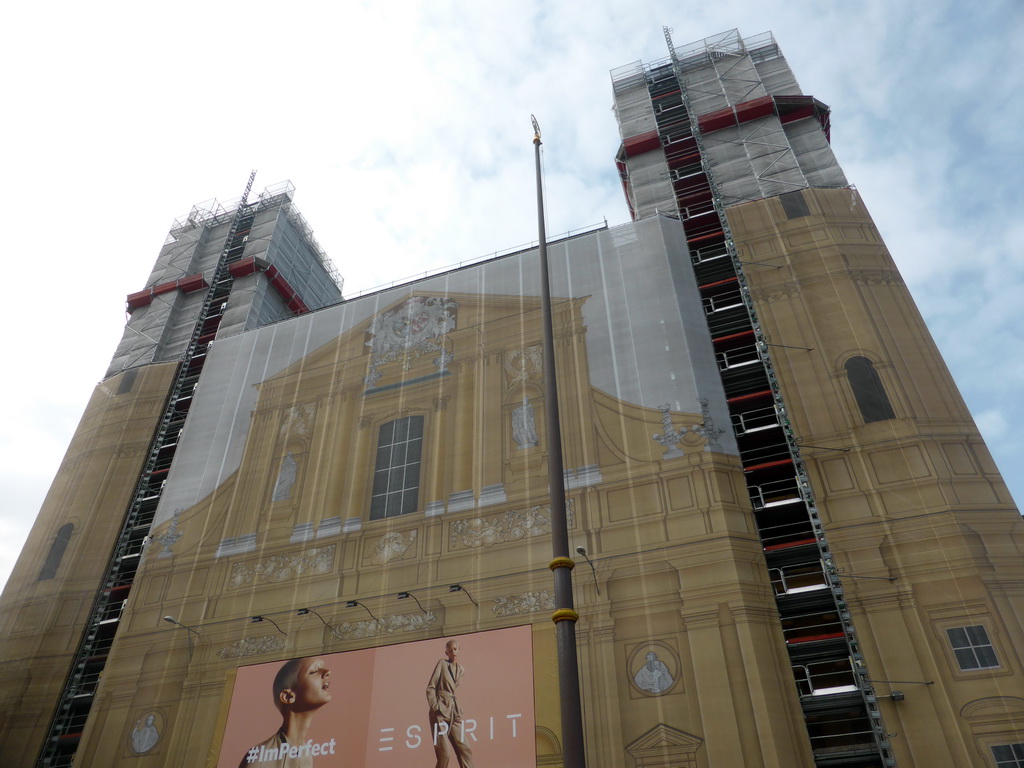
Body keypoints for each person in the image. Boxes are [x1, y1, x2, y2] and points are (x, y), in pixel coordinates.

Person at [240, 657, 336, 768]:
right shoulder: (260, 757)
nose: (327, 672)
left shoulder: (307, 755)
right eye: (313, 671)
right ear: (288, 696)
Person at [426, 639, 474, 768]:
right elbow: (430, 688)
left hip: (453, 710)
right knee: (445, 754)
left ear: (459, 649)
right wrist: (436, 707)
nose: (453, 652)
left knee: (465, 748)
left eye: (455, 649)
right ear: (446, 652)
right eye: (450, 650)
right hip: (440, 711)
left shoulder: (461, 670)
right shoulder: (442, 664)